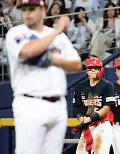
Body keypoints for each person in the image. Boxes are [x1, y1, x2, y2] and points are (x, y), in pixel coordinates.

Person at [6, 0, 82, 154]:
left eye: (32, 8)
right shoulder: (16, 32)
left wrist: (53, 60)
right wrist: (58, 30)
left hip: (58, 104)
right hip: (30, 103)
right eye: (24, 9)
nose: (27, 12)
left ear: (43, 10)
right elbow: (27, 52)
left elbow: (77, 65)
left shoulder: (55, 35)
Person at [73, 57, 116, 154]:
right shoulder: (80, 86)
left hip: (102, 124)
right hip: (87, 125)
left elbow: (106, 107)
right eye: (90, 68)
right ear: (86, 70)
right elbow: (76, 106)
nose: (93, 70)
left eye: (96, 67)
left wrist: (91, 118)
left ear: (100, 69)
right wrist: (80, 118)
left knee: (99, 151)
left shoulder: (107, 85)